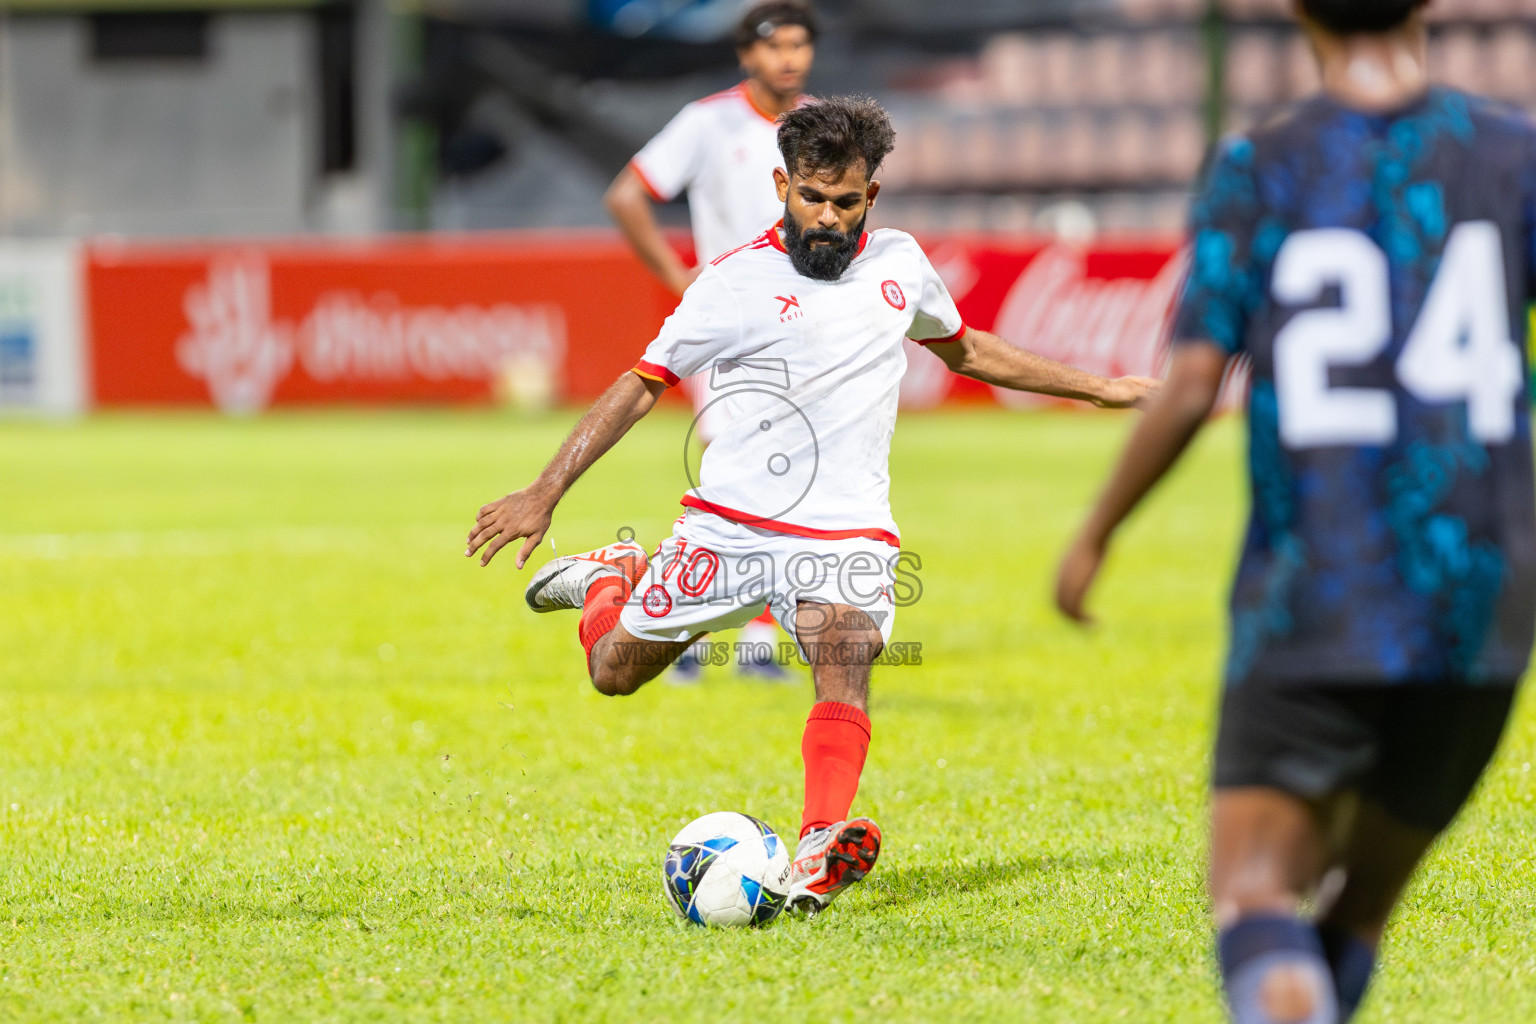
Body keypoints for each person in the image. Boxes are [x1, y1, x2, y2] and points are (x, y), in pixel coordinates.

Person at [469, 96, 1159, 915]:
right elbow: (640, 385)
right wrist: (546, 491)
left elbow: (966, 347)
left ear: (871, 197)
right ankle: (613, 575)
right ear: (781, 185)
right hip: (727, 525)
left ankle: (818, 842)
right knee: (612, 672)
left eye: (844, 202)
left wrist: (1100, 388)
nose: (825, 219)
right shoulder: (731, 282)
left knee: (846, 650)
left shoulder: (901, 265)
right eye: (810, 198)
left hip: (846, 526)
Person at [1055, 2, 1535, 1021]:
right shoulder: (1513, 153)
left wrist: (1097, 531)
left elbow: (1189, 386)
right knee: (1355, 911)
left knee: (1257, 895)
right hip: (1481, 595)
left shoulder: (1260, 164)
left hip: (1317, 590)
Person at [604, 1, 819, 682]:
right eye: (775, 45)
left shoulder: (822, 125)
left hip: (803, 322)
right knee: (732, 469)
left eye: (799, 44)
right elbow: (628, 194)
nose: (788, 57)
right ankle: (683, 621)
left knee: (787, 473)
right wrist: (678, 276)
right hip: (730, 324)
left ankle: (745, 636)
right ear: (746, 55)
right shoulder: (709, 121)